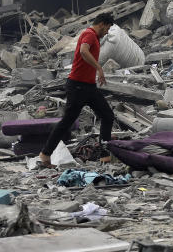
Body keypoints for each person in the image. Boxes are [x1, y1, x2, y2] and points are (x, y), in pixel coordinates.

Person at [40, 12, 116, 166]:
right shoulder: (89, 34)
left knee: (107, 116)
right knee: (67, 122)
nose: (107, 32)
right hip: (77, 87)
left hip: (89, 87)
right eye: (107, 28)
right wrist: (99, 68)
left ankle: (105, 155)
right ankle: (45, 154)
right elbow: (83, 51)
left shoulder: (94, 37)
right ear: (101, 24)